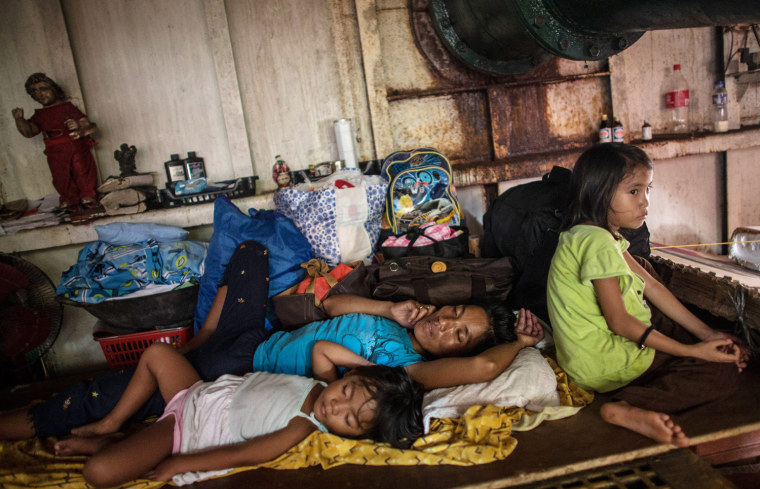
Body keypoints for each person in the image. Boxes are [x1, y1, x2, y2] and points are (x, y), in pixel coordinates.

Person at [0, 240, 543, 441]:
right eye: (451, 312)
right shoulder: (398, 321)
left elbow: (480, 372)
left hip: (238, 369)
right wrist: (388, 307)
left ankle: (179, 364)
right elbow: (329, 305)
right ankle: (202, 337)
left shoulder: (403, 368)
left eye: (459, 334)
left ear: (458, 350)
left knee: (101, 397)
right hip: (253, 336)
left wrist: (520, 344)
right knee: (253, 251)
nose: (445, 323)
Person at [546, 142, 748, 447]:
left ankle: (706, 346)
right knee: (721, 373)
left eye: (647, 189)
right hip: (608, 361)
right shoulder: (598, 243)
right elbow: (619, 322)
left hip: (588, 361)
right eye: (634, 191)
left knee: (644, 271)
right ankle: (628, 407)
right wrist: (694, 352)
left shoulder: (591, 234)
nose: (645, 202)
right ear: (600, 191)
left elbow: (653, 288)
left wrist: (707, 335)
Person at [49, 341, 423, 488]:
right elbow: (323, 349)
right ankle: (111, 426)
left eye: (351, 420)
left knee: (98, 474)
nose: (336, 407)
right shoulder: (322, 384)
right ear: (350, 376)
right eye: (347, 392)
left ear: (354, 436)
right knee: (155, 355)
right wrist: (373, 370)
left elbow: (243, 454)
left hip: (185, 428)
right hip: (195, 393)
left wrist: (178, 465)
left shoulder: (302, 427)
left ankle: (111, 447)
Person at [11, 72, 99, 210]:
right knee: (60, 176)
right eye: (34, 91)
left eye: (43, 89)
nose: (39, 94)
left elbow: (89, 124)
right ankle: (69, 199)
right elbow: (30, 132)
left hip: (74, 146)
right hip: (54, 151)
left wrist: (78, 125)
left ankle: (88, 196)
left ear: (54, 89)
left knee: (82, 171)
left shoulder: (67, 107)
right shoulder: (39, 115)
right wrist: (19, 120)